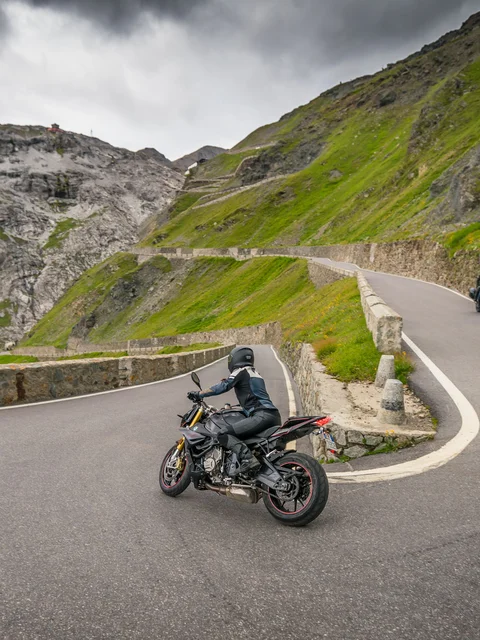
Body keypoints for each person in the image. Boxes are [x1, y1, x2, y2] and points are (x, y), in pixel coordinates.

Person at [187, 347, 281, 476]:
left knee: (223, 434)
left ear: (235, 359)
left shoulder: (241, 371)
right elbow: (252, 397)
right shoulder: (255, 374)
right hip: (273, 416)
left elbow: (224, 386)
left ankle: (248, 459)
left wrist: (200, 394)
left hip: (261, 415)